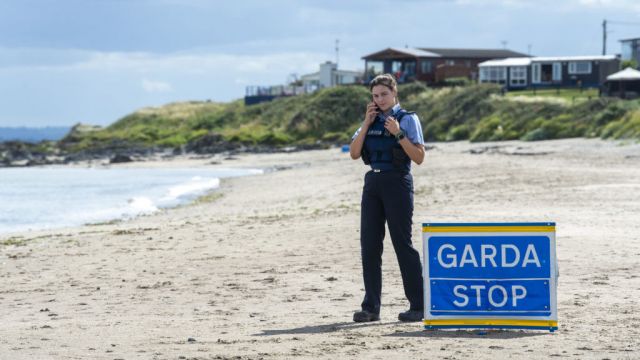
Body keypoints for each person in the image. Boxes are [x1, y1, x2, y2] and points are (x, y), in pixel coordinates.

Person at [349, 73, 425, 323]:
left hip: (398, 182)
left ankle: (418, 305)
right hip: (373, 183)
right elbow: (354, 152)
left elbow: (419, 157)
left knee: (402, 243)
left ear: (394, 93)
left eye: (383, 94)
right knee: (369, 245)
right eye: (375, 96)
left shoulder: (408, 119)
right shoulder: (369, 121)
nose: (380, 99)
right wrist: (366, 123)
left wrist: (398, 133)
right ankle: (371, 308)